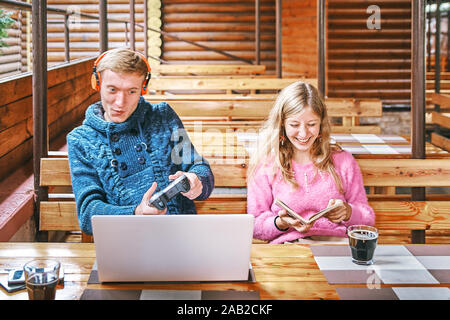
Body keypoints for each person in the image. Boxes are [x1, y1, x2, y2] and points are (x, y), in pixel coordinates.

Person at [67, 48, 214, 235]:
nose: (120, 102)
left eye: (131, 91)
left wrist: (197, 180)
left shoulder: (163, 116)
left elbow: (199, 166)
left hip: (182, 237)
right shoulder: (80, 140)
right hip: (124, 243)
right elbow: (88, 214)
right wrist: (136, 213)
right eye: (112, 90)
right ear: (97, 83)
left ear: (143, 89)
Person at [246, 81, 374, 244]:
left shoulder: (343, 161)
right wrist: (280, 223)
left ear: (321, 124)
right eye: (294, 124)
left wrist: (348, 212)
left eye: (311, 124)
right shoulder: (267, 164)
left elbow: (367, 218)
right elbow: (255, 225)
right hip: (289, 247)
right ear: (282, 124)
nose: (303, 133)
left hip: (336, 245)